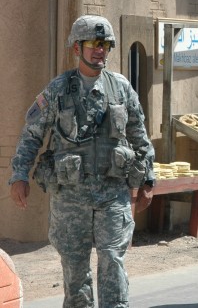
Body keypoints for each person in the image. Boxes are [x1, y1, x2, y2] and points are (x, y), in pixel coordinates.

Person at [9, 15, 156, 307]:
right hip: (70, 198)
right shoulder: (58, 90)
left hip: (111, 194)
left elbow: (139, 135)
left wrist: (148, 180)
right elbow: (31, 135)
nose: (99, 50)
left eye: (104, 44)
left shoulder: (121, 88)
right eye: (92, 43)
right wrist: (19, 175)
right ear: (77, 48)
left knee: (112, 260)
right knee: (75, 270)